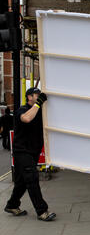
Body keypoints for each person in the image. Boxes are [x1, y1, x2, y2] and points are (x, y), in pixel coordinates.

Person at [4, 88, 56, 221]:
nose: (39, 97)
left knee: (22, 182)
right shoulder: (22, 110)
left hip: (33, 151)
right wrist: (38, 103)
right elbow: (27, 118)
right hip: (22, 151)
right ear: (29, 97)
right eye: (36, 95)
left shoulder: (40, 111)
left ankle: (12, 205)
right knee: (32, 178)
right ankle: (42, 211)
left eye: (40, 95)